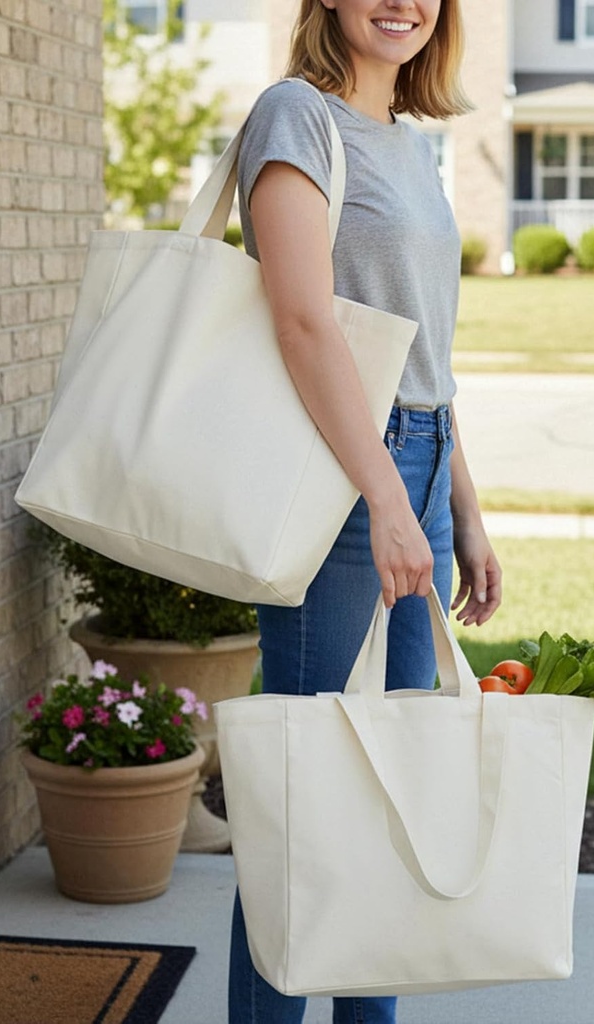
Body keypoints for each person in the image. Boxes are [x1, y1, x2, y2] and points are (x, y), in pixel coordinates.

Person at [228, 0, 503, 1021]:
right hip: (343, 478)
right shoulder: (295, 116)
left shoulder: (412, 144)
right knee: (304, 807)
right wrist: (387, 496)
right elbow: (302, 321)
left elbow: (422, 349)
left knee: (392, 796)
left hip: (417, 469)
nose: (401, 2)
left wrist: (459, 506)